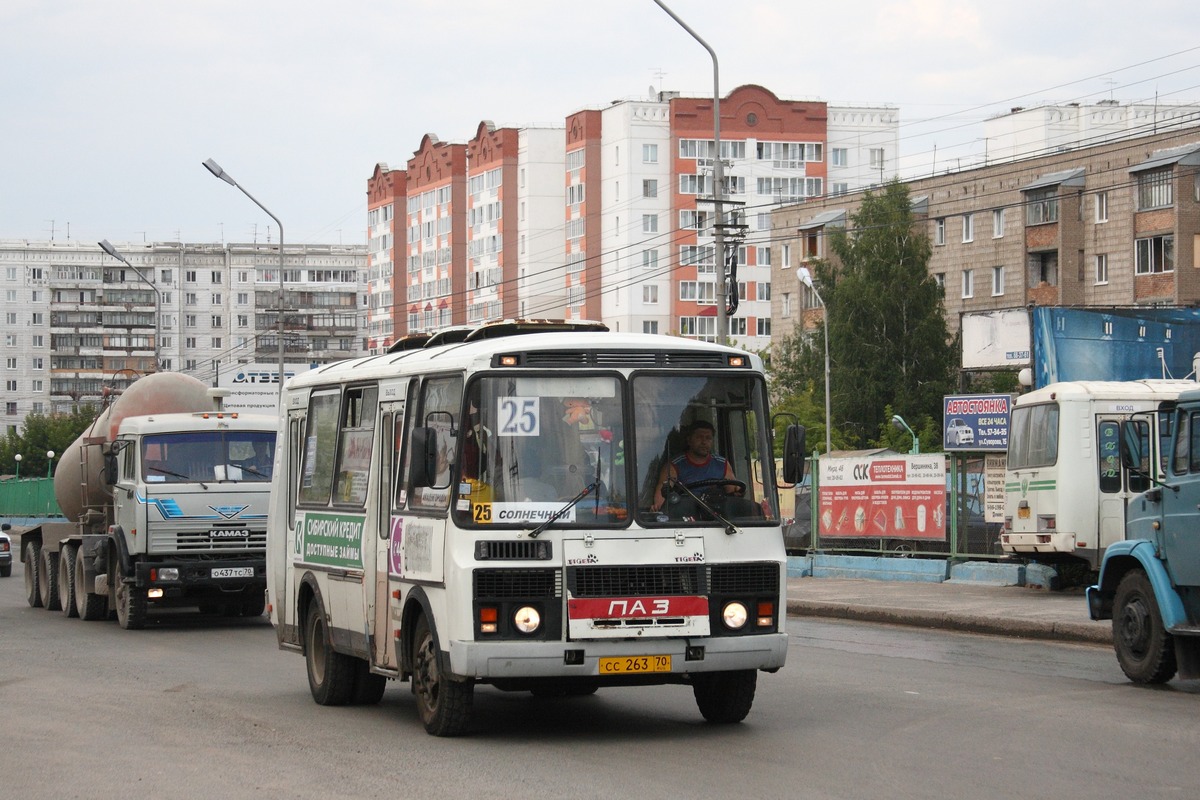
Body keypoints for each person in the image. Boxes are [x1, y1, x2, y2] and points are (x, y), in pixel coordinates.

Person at [650, 420, 739, 511]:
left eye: (708, 438)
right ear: (689, 440)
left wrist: (738, 491)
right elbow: (663, 492)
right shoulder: (674, 465)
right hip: (686, 516)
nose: (704, 442)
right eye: (699, 437)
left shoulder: (722, 464)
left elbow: (733, 492)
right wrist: (659, 507)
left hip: (717, 515)